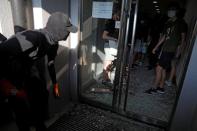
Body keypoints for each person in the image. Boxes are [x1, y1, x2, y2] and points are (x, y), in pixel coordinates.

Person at [0, 12, 77, 131]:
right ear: (58, 29)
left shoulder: (53, 44)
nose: (68, 34)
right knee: (20, 107)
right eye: (67, 30)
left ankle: (39, 124)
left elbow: (50, 63)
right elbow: (2, 52)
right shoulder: (33, 38)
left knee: (41, 95)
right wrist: (6, 85)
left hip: (26, 72)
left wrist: (55, 84)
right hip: (9, 76)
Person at [145, 3, 186, 94]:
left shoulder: (180, 23)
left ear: (176, 11)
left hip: (171, 49)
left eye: (172, 10)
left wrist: (179, 51)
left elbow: (183, 38)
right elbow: (163, 36)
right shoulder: (168, 22)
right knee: (163, 69)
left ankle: (154, 88)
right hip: (164, 48)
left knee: (158, 68)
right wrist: (156, 46)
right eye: (169, 10)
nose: (170, 12)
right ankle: (161, 87)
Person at [102, 11, 120, 84]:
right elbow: (104, 36)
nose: (118, 17)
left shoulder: (113, 23)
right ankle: (105, 79)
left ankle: (106, 78)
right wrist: (115, 39)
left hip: (110, 45)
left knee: (109, 62)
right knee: (108, 62)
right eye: (118, 15)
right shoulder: (110, 23)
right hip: (109, 45)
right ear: (114, 15)